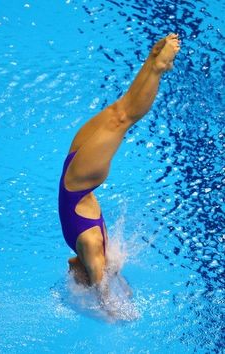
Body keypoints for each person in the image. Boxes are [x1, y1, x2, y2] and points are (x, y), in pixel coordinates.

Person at [58, 33, 180, 301]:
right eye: (75, 278)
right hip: (76, 175)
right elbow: (103, 282)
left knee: (121, 114)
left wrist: (110, 310)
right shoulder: (92, 248)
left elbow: (102, 291)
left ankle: (154, 64)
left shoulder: (91, 247)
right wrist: (117, 290)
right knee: (121, 117)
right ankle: (155, 67)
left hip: (78, 173)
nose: (71, 274)